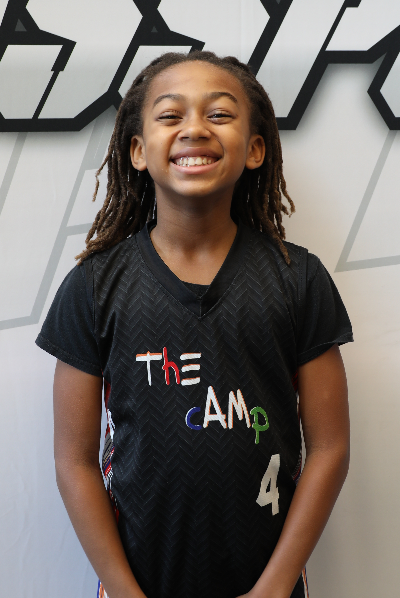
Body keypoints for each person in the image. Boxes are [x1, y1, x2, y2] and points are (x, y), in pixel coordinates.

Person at [36, 51, 353, 598]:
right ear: (138, 150)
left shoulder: (298, 279)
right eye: (170, 115)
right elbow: (74, 461)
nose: (195, 129)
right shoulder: (93, 287)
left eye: (220, 114)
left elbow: (329, 448)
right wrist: (124, 591)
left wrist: (275, 586)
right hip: (137, 585)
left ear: (256, 149)